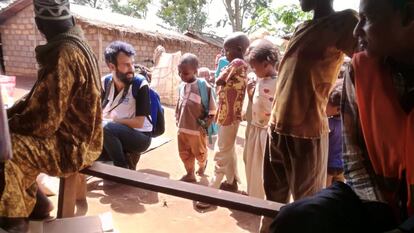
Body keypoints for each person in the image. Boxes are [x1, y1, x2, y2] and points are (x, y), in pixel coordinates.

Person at [269, 0, 414, 232]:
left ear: (407, 16)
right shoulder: (362, 71)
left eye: (366, 20)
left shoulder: (343, 24)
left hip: (306, 128)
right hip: (380, 198)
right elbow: (355, 161)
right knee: (294, 217)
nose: (358, 30)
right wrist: (378, 213)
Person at [0, 0, 102, 231]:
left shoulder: (63, 54)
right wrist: (10, 115)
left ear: (39, 25)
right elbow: (37, 100)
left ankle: (13, 222)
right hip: (84, 140)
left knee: (8, 149)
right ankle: (39, 204)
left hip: (72, 148)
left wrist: (8, 126)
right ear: (72, 21)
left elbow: (43, 122)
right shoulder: (78, 45)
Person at [100, 41, 152, 169]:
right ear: (112, 67)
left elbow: (139, 123)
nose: (132, 69)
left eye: (132, 64)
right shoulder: (105, 82)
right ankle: (122, 157)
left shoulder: (140, 84)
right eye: (126, 65)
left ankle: (122, 169)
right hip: (113, 131)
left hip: (140, 136)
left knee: (106, 128)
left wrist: (112, 121)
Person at [210, 32, 250, 192]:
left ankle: (211, 191)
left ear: (239, 49)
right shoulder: (240, 64)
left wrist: (221, 71)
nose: (224, 54)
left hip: (229, 115)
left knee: (221, 151)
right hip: (230, 113)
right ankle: (231, 181)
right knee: (229, 148)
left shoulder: (237, 62)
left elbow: (220, 80)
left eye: (227, 50)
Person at [243, 39, 279, 199]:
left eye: (254, 66)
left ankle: (263, 199)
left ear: (266, 64)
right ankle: (254, 196)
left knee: (263, 169)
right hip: (256, 129)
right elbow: (257, 103)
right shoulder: (258, 80)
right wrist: (250, 94)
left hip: (268, 133)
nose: (252, 70)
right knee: (252, 164)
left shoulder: (279, 83)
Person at [176, 53, 216, 182]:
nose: (182, 76)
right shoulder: (181, 86)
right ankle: (190, 173)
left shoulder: (203, 87)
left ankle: (202, 164)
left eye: (185, 73)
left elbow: (212, 111)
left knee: (199, 153)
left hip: (196, 130)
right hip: (182, 128)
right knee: (184, 153)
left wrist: (205, 125)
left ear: (195, 71)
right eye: (179, 73)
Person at [326, 78, 345, 187]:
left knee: (326, 189)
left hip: (329, 165)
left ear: (338, 109)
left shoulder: (329, 123)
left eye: (327, 105)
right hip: (342, 165)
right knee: (339, 189)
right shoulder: (346, 123)